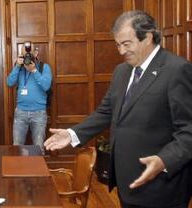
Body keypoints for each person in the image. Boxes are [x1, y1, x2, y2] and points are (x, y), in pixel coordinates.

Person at [44, 10, 192, 207]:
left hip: (161, 185)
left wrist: (164, 160)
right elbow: (106, 112)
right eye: (118, 45)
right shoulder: (121, 71)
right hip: (126, 181)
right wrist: (72, 134)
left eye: (126, 44)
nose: (121, 51)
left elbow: (189, 130)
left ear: (147, 37)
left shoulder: (177, 69)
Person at [7, 41, 52, 147]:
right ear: (21, 53)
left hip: (39, 113)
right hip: (21, 112)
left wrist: (34, 71)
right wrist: (17, 66)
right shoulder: (19, 67)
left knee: (39, 147)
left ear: (36, 53)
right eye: (25, 52)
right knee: (17, 146)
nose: (27, 55)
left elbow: (46, 86)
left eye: (30, 52)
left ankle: (38, 164)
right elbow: (9, 83)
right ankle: (18, 164)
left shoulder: (44, 67)